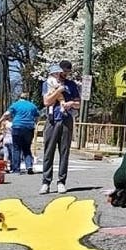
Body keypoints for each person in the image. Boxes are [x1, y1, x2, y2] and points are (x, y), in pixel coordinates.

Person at [39, 60, 80, 195]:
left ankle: (61, 181)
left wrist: (71, 103)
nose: (66, 74)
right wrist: (59, 91)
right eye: (64, 72)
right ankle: (46, 182)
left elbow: (78, 104)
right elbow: (47, 101)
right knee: (48, 152)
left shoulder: (72, 85)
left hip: (66, 120)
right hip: (51, 120)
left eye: (68, 72)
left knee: (64, 152)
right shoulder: (48, 83)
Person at [0, 91, 40, 174]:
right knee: (27, 148)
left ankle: (16, 168)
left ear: (19, 98)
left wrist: (0, 121)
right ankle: (29, 166)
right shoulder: (32, 106)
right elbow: (38, 116)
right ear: (27, 98)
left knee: (16, 148)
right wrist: (35, 123)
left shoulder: (15, 105)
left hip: (17, 127)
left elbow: (7, 114)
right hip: (29, 127)